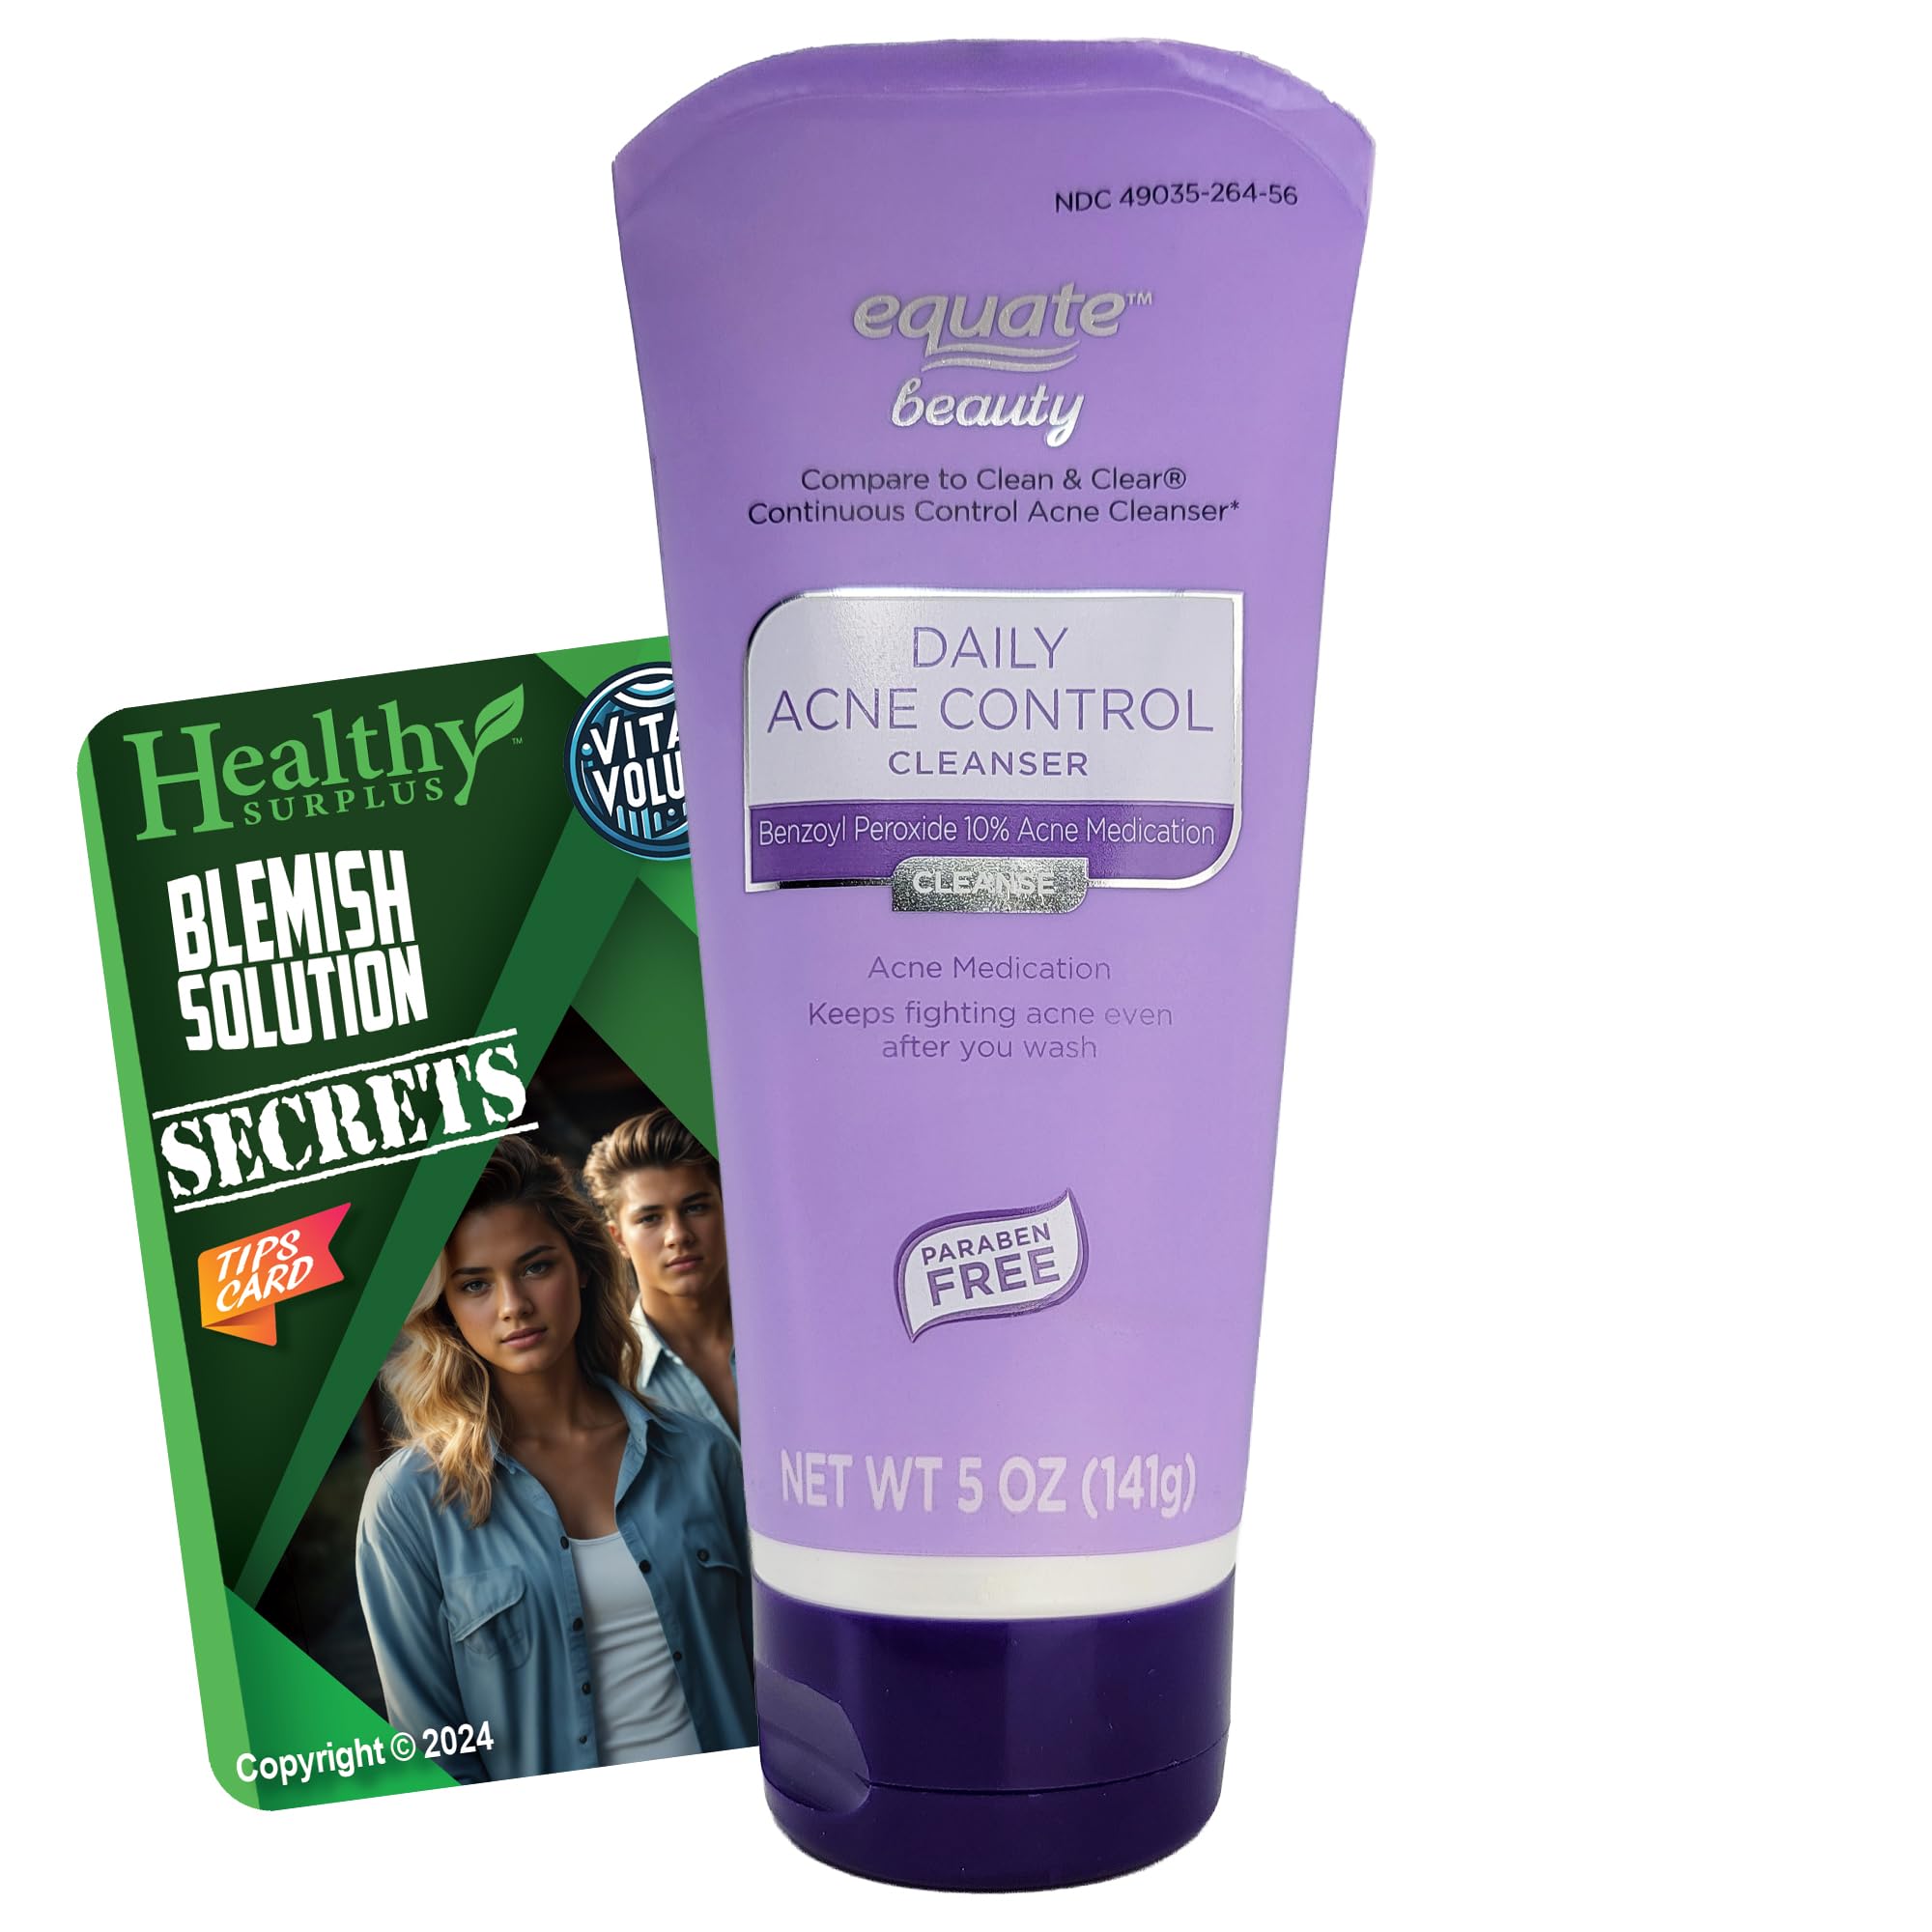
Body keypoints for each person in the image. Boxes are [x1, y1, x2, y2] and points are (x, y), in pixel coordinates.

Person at [355, 1136, 753, 1782]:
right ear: (447, 1309)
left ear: (583, 1266)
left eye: (536, 1267)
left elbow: (774, 1677)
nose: (513, 1305)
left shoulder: (702, 1457)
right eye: (476, 1284)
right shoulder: (408, 1504)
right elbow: (431, 1753)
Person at [582, 1110, 737, 1440]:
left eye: (695, 1208)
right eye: (650, 1219)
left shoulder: (797, 1335)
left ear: (728, 1210)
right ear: (618, 1239)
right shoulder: (610, 1383)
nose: (677, 1235)